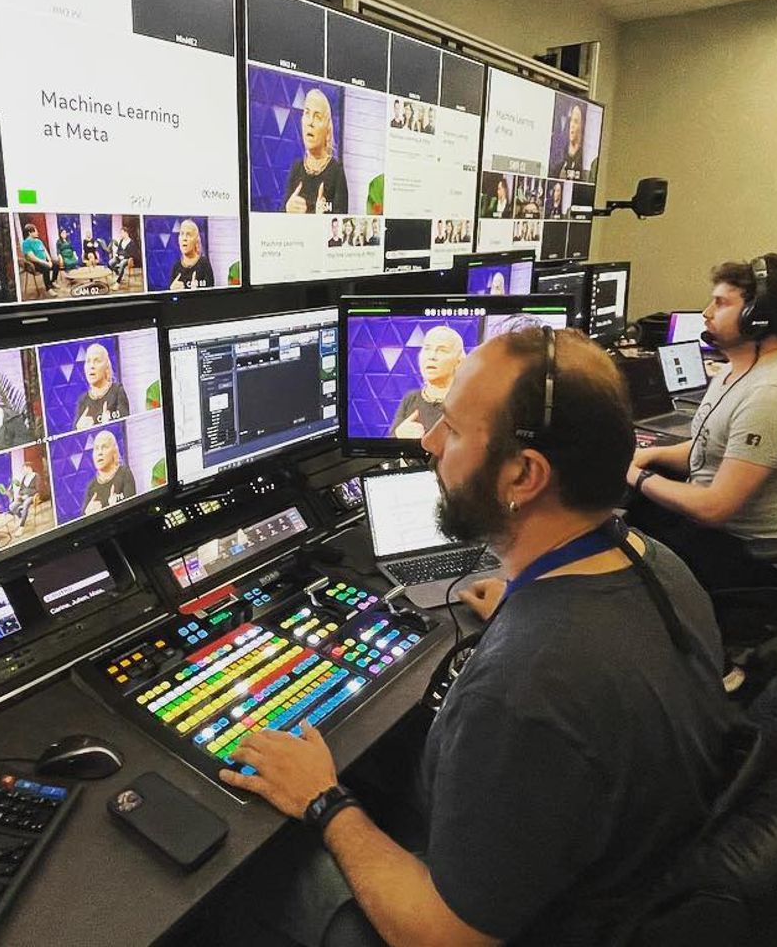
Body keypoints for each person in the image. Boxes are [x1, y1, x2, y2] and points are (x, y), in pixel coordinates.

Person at [221, 328, 735, 947]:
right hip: (613, 868)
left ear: (523, 475)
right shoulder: (661, 565)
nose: (430, 442)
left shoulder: (525, 690)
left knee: (253, 872)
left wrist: (323, 799)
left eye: (455, 429)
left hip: (514, 923)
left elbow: (448, 936)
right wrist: (522, 609)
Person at [627, 253, 777, 591]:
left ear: (756, 318)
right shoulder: (736, 368)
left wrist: (635, 475)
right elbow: (710, 446)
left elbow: (715, 508)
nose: (706, 313)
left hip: (754, 556)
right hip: (716, 531)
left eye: (720, 303)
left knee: (618, 555)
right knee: (622, 520)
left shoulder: (773, 392)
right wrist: (648, 455)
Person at [390, 326, 465, 439]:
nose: (432, 356)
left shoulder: (469, 403)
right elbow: (389, 445)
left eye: (442, 350)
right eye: (427, 349)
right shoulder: (410, 399)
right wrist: (400, 436)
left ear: (459, 360)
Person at [283, 88, 348, 215]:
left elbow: (341, 221)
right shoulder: (296, 168)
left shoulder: (336, 172)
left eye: (317, 117)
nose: (310, 122)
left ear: (327, 128)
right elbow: (278, 220)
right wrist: (287, 209)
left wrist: (321, 217)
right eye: (307, 113)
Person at [74, 343, 130, 430]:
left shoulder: (117, 391)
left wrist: (109, 425)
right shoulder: (82, 401)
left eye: (97, 361)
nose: (92, 366)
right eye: (88, 361)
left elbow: (126, 428)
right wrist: (79, 429)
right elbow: (74, 435)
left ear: (106, 366)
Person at [83, 430, 136, 515]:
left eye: (104, 447)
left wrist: (116, 507)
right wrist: (88, 514)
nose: (99, 453)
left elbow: (134, 509)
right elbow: (84, 519)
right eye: (96, 448)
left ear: (114, 451)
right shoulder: (91, 487)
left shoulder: (124, 474)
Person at [168, 219, 214, 289]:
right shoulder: (176, 267)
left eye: (188, 235)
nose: (184, 239)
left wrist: (195, 292)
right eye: (182, 234)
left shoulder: (204, 264)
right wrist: (172, 291)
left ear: (196, 240)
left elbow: (211, 292)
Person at [21, 223, 60, 295]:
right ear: (30, 233)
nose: (37, 233)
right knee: (46, 268)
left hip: (44, 260)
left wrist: (49, 260)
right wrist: (45, 263)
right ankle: (48, 288)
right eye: (36, 231)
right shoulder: (26, 243)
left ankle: (53, 281)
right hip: (35, 263)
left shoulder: (38, 241)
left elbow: (45, 251)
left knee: (56, 264)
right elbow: (33, 258)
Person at [554, 102, 586, 181]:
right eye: (571, 120)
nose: (572, 125)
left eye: (576, 121)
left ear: (582, 125)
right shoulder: (559, 159)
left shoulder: (582, 162)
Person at [9, 462, 40, 536]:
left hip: (32, 496)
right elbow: (21, 489)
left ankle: (21, 527)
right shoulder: (24, 477)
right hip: (23, 497)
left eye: (24, 469)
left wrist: (27, 495)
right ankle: (21, 518)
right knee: (12, 506)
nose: (23, 471)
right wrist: (19, 495)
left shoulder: (36, 476)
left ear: (29, 468)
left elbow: (37, 489)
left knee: (25, 505)